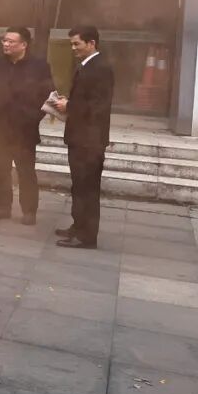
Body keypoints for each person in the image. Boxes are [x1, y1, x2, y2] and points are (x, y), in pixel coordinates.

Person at [0, 27, 54, 225]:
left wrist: (34, 117)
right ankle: (3, 206)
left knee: (25, 170)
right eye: (4, 40)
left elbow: (48, 95)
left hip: (25, 127)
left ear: (24, 44)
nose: (6, 44)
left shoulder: (39, 66)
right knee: (0, 168)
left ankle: (29, 210)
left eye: (11, 41)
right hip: (1, 124)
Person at [53, 26, 114, 249]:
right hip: (80, 138)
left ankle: (87, 236)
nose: (73, 48)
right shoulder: (87, 65)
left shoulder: (101, 68)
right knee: (79, 186)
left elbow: (98, 105)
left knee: (87, 189)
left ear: (92, 43)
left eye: (77, 43)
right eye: (71, 44)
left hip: (90, 140)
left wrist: (69, 105)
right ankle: (78, 226)